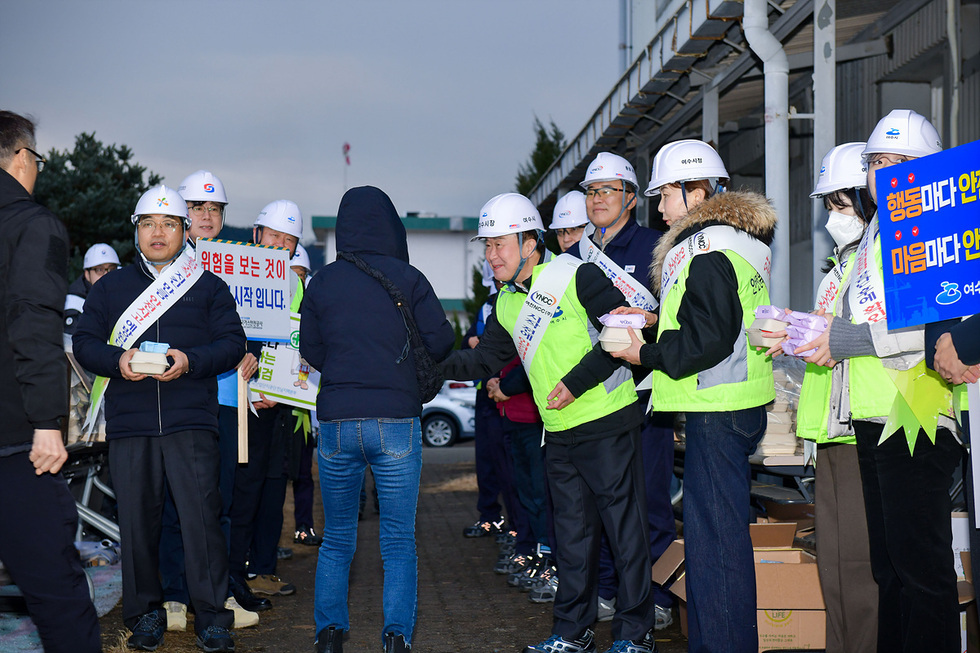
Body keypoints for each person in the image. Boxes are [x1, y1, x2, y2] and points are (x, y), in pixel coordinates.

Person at [442, 193, 655, 653]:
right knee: (571, 540)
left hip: (608, 422)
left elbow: (624, 332)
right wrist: (425, 365)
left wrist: (577, 383)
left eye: (499, 244)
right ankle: (572, 633)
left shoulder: (576, 274)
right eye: (487, 246)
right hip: (557, 434)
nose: (491, 255)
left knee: (625, 535)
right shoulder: (506, 301)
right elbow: (483, 360)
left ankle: (636, 636)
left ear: (529, 243)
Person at [792, 109, 960, 652]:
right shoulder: (876, 235)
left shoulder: (938, 226)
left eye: (897, 161)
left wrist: (845, 339)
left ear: (928, 168)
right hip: (870, 414)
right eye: (875, 162)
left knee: (920, 570)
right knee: (888, 570)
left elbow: (939, 325)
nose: (883, 173)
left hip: (914, 410)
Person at [612, 139, 775, 653]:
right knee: (713, 543)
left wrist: (643, 353)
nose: (660, 208)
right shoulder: (735, 240)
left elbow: (707, 340)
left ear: (697, 191)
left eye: (666, 195)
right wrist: (655, 321)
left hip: (719, 409)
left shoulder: (705, 248)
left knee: (716, 550)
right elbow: (715, 320)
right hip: (733, 404)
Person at [74, 183, 245, 652]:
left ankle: (212, 617)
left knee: (202, 522)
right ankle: (144, 615)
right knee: (136, 525)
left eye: (168, 224)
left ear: (184, 231)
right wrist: (118, 361)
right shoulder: (111, 288)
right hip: (131, 425)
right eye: (148, 223)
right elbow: (85, 342)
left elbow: (232, 343)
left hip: (191, 422)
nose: (158, 233)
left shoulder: (207, 286)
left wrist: (190, 360)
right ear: (136, 230)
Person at [300, 185, 455, 653]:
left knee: (337, 538)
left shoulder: (322, 282)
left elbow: (311, 350)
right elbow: (442, 341)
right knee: (398, 540)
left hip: (337, 421)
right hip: (395, 420)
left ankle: (329, 633)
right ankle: (396, 636)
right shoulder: (409, 278)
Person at [0, 109, 101, 653]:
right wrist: (47, 422)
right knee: (58, 594)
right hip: (15, 440)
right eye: (36, 158)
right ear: (21, 157)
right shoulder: (31, 225)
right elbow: (33, 325)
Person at [159, 169, 262, 631]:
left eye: (214, 209)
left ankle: (218, 594)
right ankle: (174, 595)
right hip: (179, 399)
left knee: (218, 502)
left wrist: (253, 353)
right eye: (197, 208)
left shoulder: (243, 264)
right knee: (174, 501)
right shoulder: (163, 266)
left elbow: (253, 324)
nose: (206, 216)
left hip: (226, 400)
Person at [575, 152, 673, 630]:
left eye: (608, 191)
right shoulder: (576, 255)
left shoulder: (656, 246)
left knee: (649, 498)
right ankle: (609, 590)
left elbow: (676, 314)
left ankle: (657, 596)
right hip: (594, 396)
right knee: (601, 501)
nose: (597, 199)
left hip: (644, 392)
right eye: (591, 192)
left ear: (631, 198)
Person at [793, 142, 878, 653]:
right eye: (828, 206)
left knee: (859, 561)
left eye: (840, 204)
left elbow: (878, 336)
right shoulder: (839, 266)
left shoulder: (878, 261)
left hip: (865, 422)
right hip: (831, 426)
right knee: (835, 559)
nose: (833, 218)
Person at [228, 199, 304, 606]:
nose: (280, 245)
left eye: (289, 240)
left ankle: (258, 570)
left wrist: (279, 388)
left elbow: (293, 342)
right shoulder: (234, 273)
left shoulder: (294, 283)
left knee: (270, 489)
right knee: (243, 490)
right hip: (239, 402)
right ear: (257, 235)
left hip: (276, 406)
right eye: (274, 235)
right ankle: (234, 576)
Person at [64, 242, 120, 336]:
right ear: (87, 274)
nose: (106, 275)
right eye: (99, 270)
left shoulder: (120, 291)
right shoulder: (74, 304)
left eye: (112, 269)